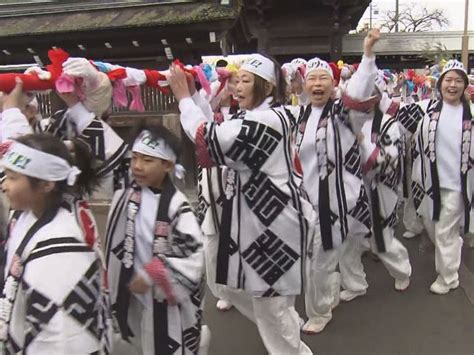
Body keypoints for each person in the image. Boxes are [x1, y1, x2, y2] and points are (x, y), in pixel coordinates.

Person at [169, 53, 314, 354]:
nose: (237, 86)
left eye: (246, 81)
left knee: (270, 307)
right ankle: (287, 326)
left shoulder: (266, 121)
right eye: (237, 79)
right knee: (235, 290)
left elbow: (207, 137)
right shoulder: (261, 116)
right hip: (260, 221)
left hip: (273, 226)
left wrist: (183, 98)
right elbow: (216, 127)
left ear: (269, 87)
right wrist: (195, 93)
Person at [293, 29, 381, 333]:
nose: (317, 84)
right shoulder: (299, 115)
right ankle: (346, 288)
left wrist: (367, 55)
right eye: (311, 79)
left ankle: (319, 311)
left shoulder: (345, 111)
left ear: (334, 85)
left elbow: (359, 90)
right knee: (331, 252)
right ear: (304, 85)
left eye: (323, 79)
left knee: (320, 257)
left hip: (338, 198)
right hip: (307, 200)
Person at [0, 134, 110, 353]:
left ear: (46, 184)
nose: (4, 185)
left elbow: (63, 336)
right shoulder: (24, 217)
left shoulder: (62, 246)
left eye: (13, 177)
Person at [104, 119, 205, 355]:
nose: (137, 166)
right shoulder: (127, 189)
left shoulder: (177, 206)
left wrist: (154, 273)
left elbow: (192, 252)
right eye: (135, 158)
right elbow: (106, 146)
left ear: (168, 165)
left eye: (147, 160)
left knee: (166, 344)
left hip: (162, 296)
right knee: (136, 341)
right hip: (130, 290)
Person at [383, 59, 473, 294]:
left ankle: (448, 277)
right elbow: (392, 114)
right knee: (433, 228)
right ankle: (453, 245)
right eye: (448, 80)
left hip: (458, 186)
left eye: (458, 81)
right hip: (428, 184)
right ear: (440, 84)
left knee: (443, 231)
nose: (452, 85)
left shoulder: (471, 114)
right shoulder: (426, 108)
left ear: (465, 86)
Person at [338, 72, 412, 302]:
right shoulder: (341, 119)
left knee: (381, 241)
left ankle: (403, 271)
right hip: (350, 188)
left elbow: (390, 162)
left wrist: (363, 145)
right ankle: (355, 283)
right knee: (348, 239)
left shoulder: (387, 124)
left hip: (378, 187)